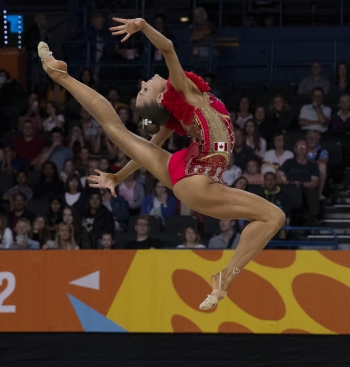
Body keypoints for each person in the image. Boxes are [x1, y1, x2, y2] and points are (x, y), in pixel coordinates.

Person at [38, 17, 284, 310]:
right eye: (145, 89)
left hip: (186, 171)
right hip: (199, 179)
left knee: (116, 129)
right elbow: (167, 48)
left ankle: (60, 76)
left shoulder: (177, 113)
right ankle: (224, 279)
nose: (144, 82)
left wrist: (117, 177)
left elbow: (151, 147)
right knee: (273, 217)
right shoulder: (183, 91)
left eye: (141, 88)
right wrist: (142, 26)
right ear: (161, 96)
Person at [278, 139, 320, 224]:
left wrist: (300, 184)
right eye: (299, 146)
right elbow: (279, 175)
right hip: (289, 187)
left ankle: (314, 218)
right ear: (295, 149)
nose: (301, 148)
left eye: (304, 147)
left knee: (312, 191)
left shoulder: (313, 165)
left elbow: (314, 183)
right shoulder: (288, 162)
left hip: (304, 189)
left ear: (308, 150)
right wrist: (286, 182)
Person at [305, 130, 329, 199]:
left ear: (318, 140)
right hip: (302, 169)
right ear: (306, 139)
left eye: (314, 138)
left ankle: (319, 194)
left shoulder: (323, 151)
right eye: (309, 138)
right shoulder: (302, 149)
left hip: (315, 171)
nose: (311, 140)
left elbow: (324, 162)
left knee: (322, 166)